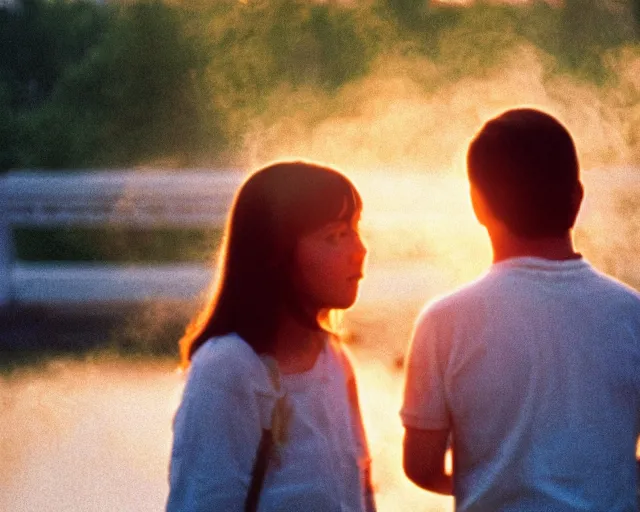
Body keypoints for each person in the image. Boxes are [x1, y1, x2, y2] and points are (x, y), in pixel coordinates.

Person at [401, 108, 640, 511]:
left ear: (477, 205)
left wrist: (491, 478)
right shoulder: (630, 313)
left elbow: (421, 466)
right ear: (577, 197)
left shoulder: (444, 322)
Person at [166, 161, 376, 512]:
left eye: (355, 229)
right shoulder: (229, 368)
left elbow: (362, 495)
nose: (359, 249)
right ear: (276, 254)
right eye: (335, 236)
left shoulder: (334, 360)